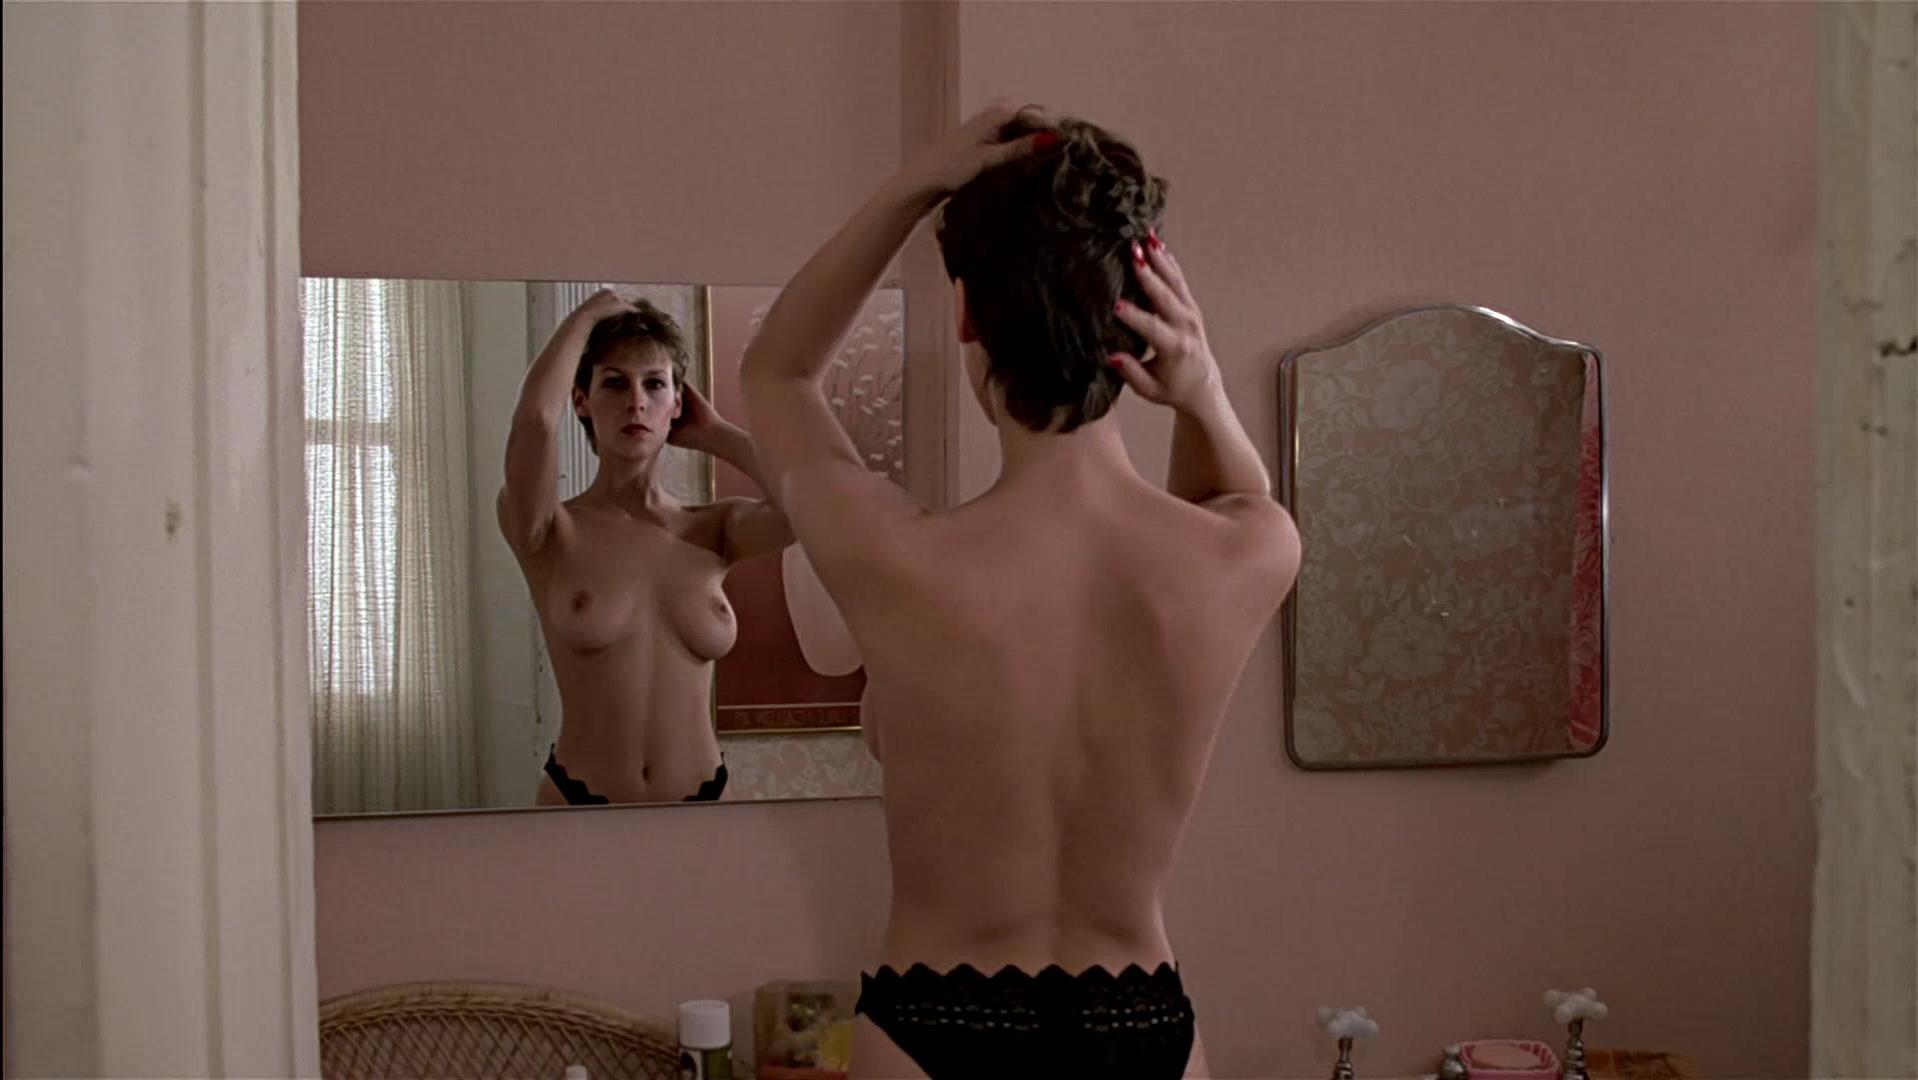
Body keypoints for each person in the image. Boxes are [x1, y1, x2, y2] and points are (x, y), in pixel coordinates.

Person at [741, 103, 1301, 1079]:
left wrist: (915, 183)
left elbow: (778, 372)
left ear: (967, 316)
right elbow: (1231, 495)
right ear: (1146, 314)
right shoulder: (1246, 552)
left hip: (938, 1019)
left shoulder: (900, 560)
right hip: (1140, 1022)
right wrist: (1203, 389)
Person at [499, 290, 793, 805]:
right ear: (580, 400)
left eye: (654, 384)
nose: (636, 401)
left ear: (677, 404)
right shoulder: (548, 529)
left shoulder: (715, 529)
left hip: (706, 804)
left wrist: (716, 433)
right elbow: (536, 423)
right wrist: (588, 315)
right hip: (578, 802)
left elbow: (808, 507)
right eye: (615, 383)